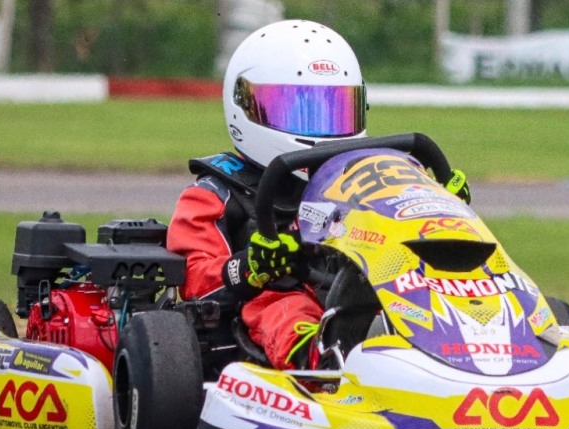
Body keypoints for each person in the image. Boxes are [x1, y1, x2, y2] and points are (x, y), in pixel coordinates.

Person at [166, 19, 470, 370]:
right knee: (281, 307)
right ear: (245, 106)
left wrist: (439, 205)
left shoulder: (366, 175)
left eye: (335, 109)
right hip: (273, 301)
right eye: (303, 110)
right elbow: (193, 279)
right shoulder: (213, 193)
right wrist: (250, 267)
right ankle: (323, 361)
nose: (323, 128)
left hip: (369, 281)